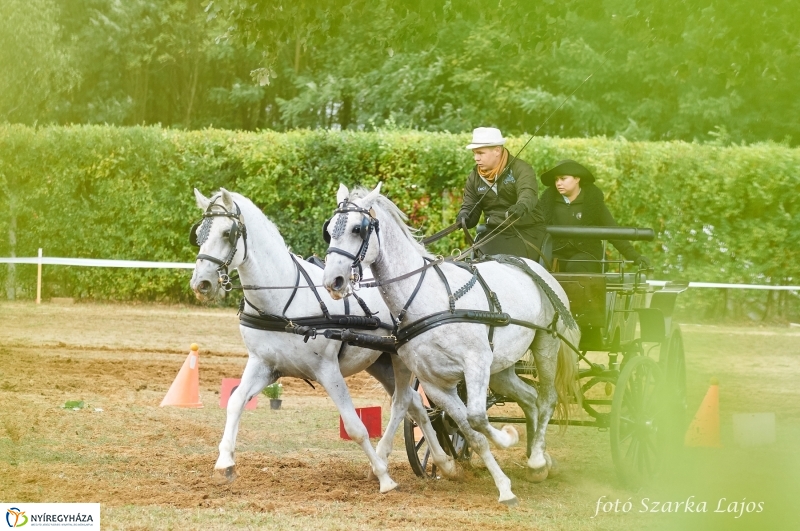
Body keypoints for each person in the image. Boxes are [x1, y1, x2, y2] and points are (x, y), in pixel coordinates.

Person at [539, 159, 650, 273]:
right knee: (543, 268)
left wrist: (635, 257)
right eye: (556, 179)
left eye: (563, 178)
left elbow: (614, 232)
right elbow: (534, 232)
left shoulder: (593, 203)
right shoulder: (547, 203)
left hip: (588, 254)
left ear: (577, 179)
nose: (558, 183)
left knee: (576, 266)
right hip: (557, 253)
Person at [455, 127, 547, 261]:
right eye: (474, 153)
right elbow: (470, 208)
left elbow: (528, 194)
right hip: (495, 232)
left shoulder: (522, 169)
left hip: (527, 232)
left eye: (480, 153)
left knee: (506, 264)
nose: (476, 158)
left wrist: (521, 206)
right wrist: (464, 216)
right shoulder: (474, 177)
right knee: (477, 264)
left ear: (497, 150)